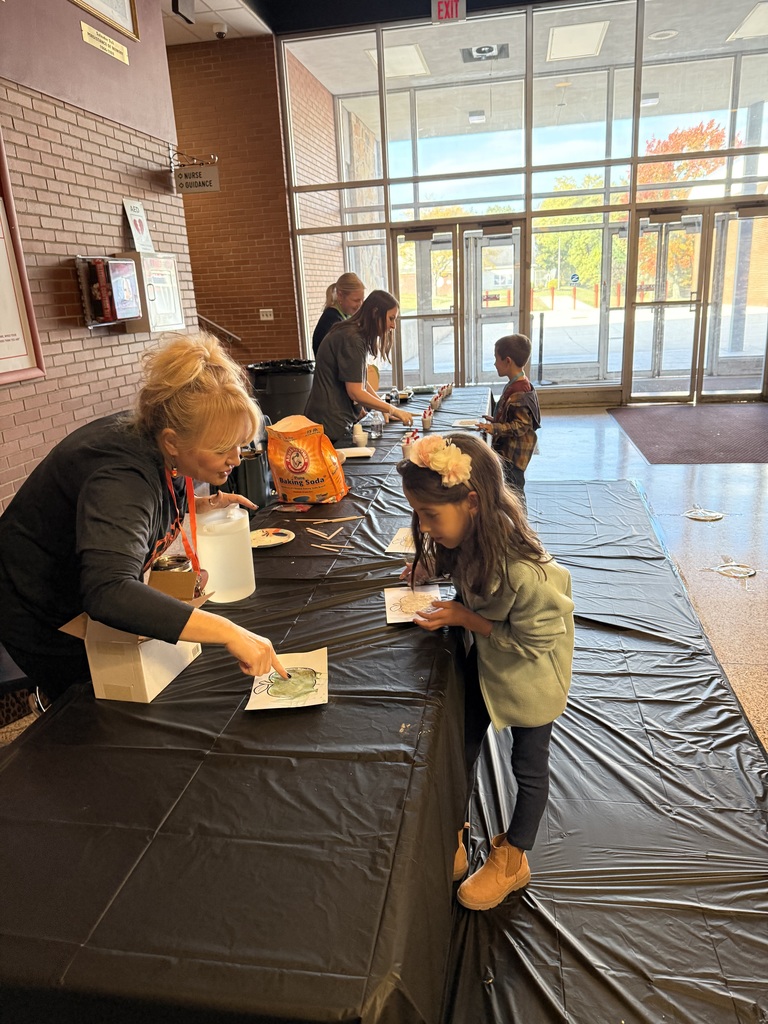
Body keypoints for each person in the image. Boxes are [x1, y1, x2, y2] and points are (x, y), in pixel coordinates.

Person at [0, 333, 287, 705]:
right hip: (38, 605)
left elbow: (141, 504)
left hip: (76, 587)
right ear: (172, 441)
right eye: (221, 448)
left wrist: (200, 504)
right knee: (96, 708)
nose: (234, 458)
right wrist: (229, 632)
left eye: (238, 444)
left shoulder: (159, 436)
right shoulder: (122, 477)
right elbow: (109, 591)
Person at [397, 433, 574, 911]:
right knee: (461, 745)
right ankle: (457, 827)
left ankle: (514, 857)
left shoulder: (528, 571)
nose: (425, 525)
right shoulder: (468, 536)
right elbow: (457, 564)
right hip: (490, 666)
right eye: (419, 515)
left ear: (471, 502)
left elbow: (536, 640)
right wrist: (429, 567)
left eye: (431, 516)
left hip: (533, 676)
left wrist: (464, 618)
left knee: (528, 768)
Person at [304, 289, 414, 443]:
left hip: (333, 421)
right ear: (376, 313)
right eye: (390, 318)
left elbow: (359, 381)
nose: (393, 326)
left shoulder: (354, 333)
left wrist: (384, 408)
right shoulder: (352, 339)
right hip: (329, 425)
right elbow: (355, 392)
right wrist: (391, 409)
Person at [476, 334, 541, 501]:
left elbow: (520, 426)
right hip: (510, 453)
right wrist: (495, 420)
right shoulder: (516, 383)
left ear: (508, 361)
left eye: (496, 359)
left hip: (514, 456)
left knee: (515, 495)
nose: (494, 364)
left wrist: (494, 428)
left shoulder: (520, 390)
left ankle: (519, 525)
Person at [311, 273, 365, 357]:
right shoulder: (331, 320)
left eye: (362, 300)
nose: (360, 305)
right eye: (356, 300)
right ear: (340, 296)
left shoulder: (346, 315)